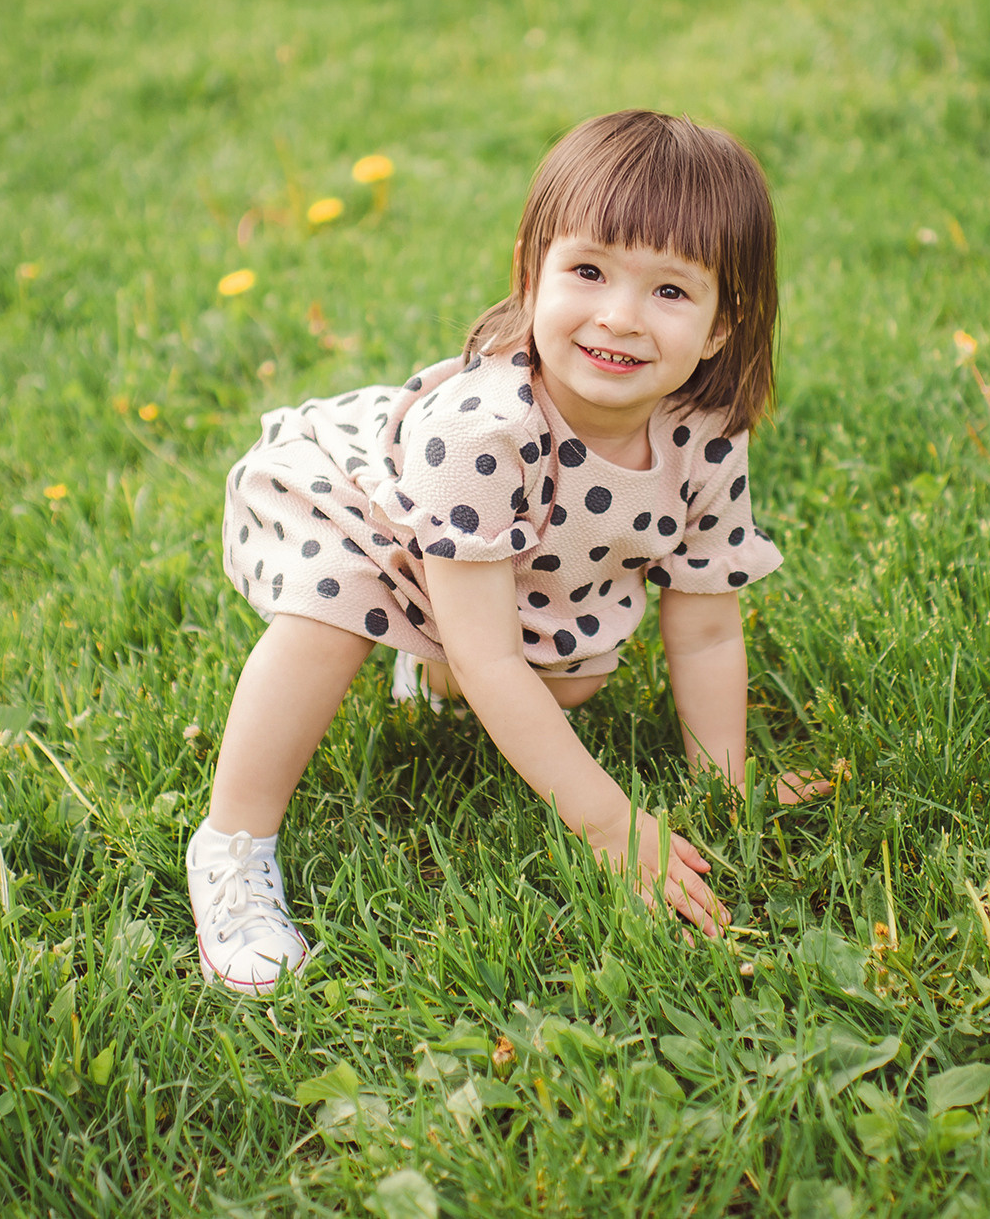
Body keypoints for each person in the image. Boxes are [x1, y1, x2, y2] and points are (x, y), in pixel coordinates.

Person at [189, 109, 829, 993]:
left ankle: (425, 673)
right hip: (347, 499)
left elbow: (708, 623)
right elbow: (490, 658)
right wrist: (610, 823)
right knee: (334, 610)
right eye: (589, 270)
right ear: (533, 274)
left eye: (670, 291)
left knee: (576, 672)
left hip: (482, 552)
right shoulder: (483, 429)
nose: (621, 316)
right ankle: (233, 847)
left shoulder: (706, 433)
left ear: (725, 323)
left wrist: (724, 784)